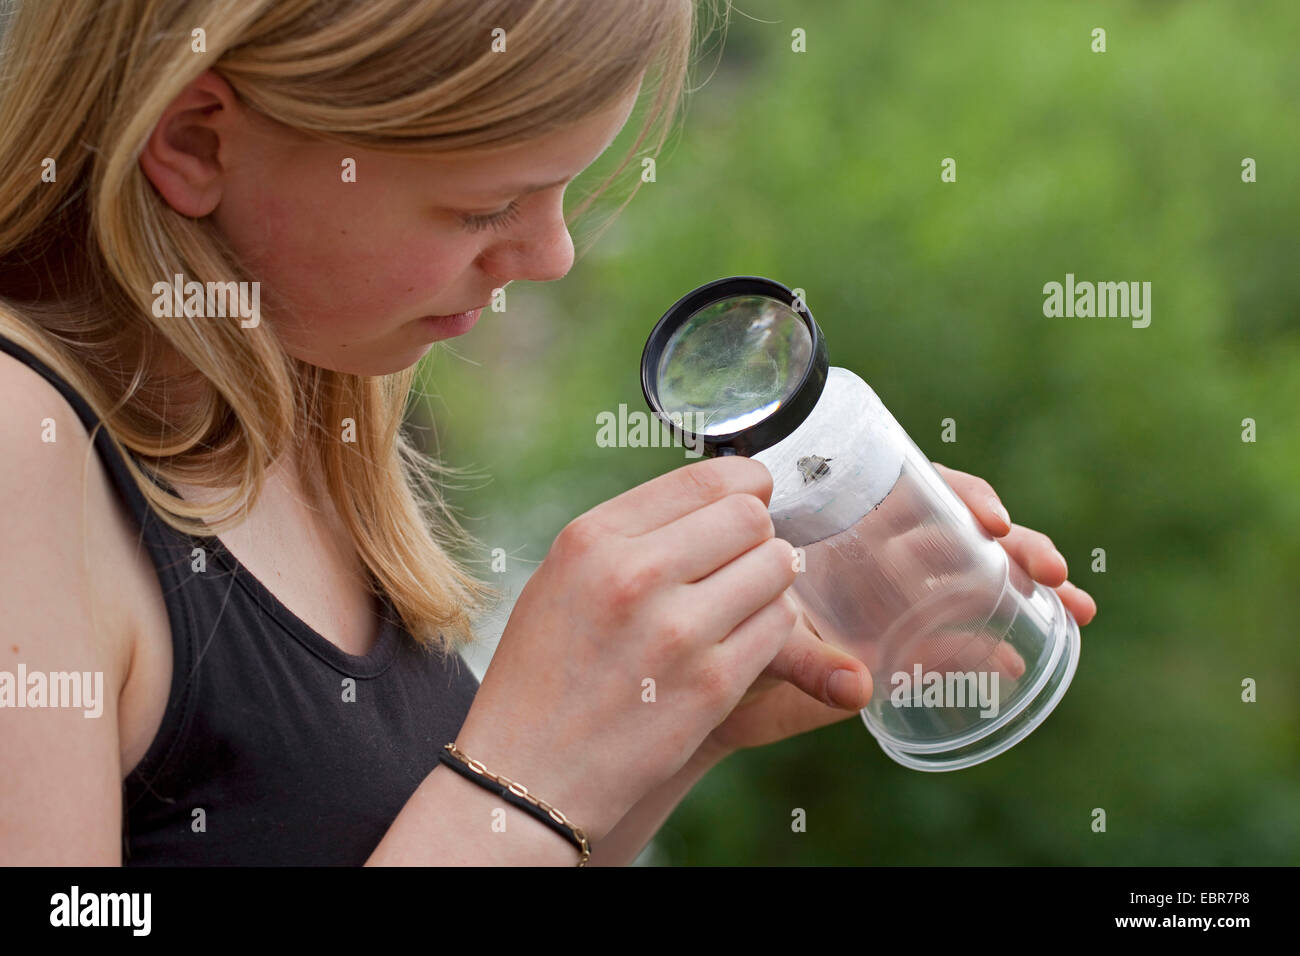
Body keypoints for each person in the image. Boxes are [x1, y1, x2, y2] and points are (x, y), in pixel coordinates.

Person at [0, 0, 1095, 866]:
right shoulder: (23, 450)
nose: (552, 256)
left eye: (566, 190)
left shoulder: (298, 400)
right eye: (486, 206)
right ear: (196, 139)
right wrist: (524, 775)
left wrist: (664, 727)